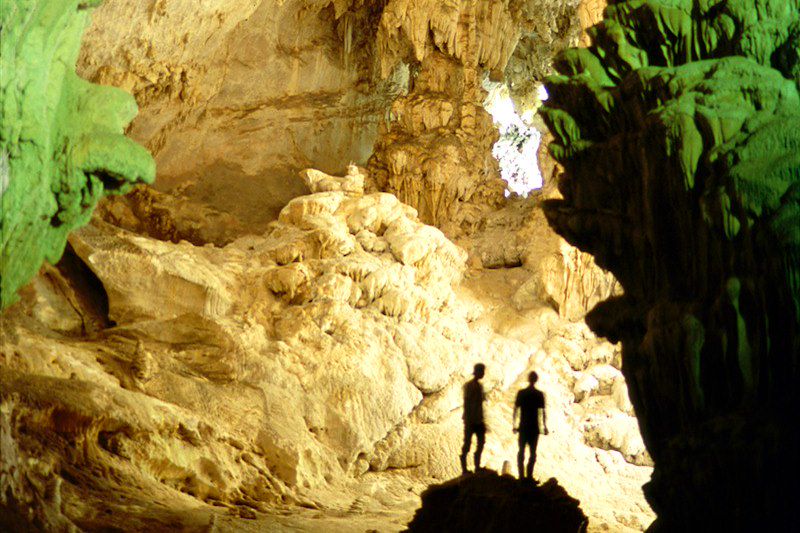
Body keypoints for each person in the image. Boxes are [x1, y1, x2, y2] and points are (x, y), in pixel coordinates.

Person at [513, 371, 549, 480]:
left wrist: (514, 424)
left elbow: (516, 410)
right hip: (534, 427)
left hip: (523, 426)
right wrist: (544, 426)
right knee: (533, 453)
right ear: (536, 380)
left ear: (529, 379)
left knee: (521, 451)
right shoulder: (539, 394)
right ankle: (529, 476)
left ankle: (521, 476)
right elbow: (542, 412)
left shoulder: (522, 393)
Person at [461, 363, 486, 474]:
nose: (483, 374)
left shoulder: (479, 386)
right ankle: (465, 468)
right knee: (468, 444)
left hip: (477, 419)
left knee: (480, 442)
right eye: (482, 371)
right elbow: (467, 402)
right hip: (471, 420)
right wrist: (468, 417)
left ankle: (476, 466)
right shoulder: (470, 386)